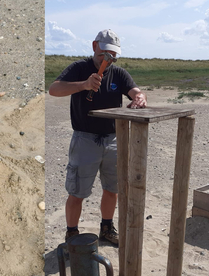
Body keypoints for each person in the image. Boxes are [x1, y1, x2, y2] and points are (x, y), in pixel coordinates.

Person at [48, 29, 147, 245]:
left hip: (113, 139)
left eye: (113, 55)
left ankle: (106, 227)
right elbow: (54, 89)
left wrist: (139, 98)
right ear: (95, 46)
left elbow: (135, 91)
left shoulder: (118, 74)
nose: (108, 59)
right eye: (104, 54)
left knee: (113, 189)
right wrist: (83, 85)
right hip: (85, 139)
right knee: (77, 191)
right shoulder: (79, 68)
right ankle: (72, 233)